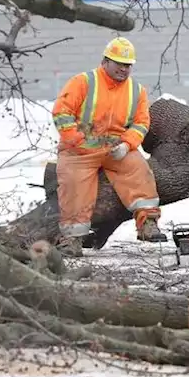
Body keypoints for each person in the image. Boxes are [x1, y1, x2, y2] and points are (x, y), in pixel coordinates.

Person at [50, 37, 166, 256]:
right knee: (75, 186)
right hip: (79, 149)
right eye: (119, 63)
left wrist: (127, 144)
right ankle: (72, 239)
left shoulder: (136, 90)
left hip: (116, 147)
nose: (124, 69)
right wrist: (75, 139)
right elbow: (61, 112)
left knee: (139, 171)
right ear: (105, 61)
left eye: (128, 65)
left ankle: (147, 223)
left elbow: (142, 122)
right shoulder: (83, 82)